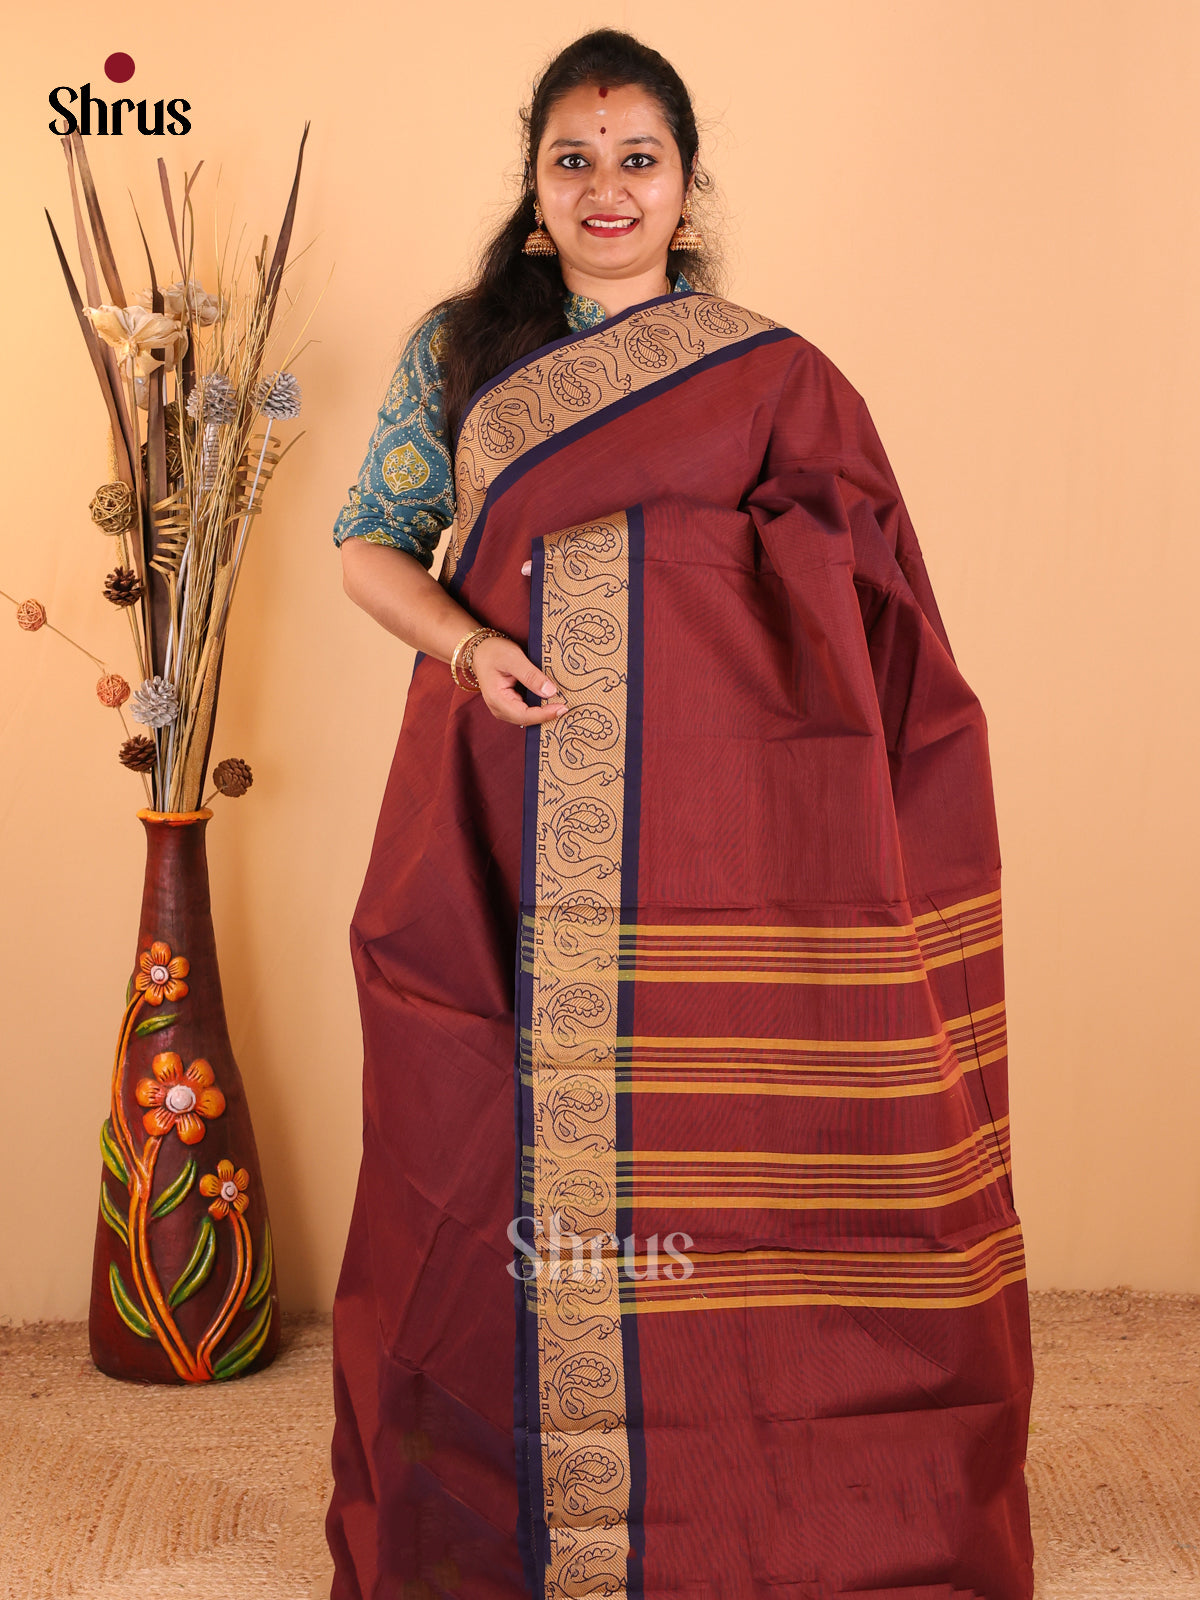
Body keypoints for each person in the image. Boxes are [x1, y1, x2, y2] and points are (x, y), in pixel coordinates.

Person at [326, 27, 1035, 1600]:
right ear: (532, 184)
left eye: (637, 159)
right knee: (467, 1130)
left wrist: (636, 581)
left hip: (719, 844)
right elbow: (372, 542)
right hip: (491, 793)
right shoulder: (462, 352)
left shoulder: (772, 378)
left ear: (687, 182)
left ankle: (744, 1501)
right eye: (573, 160)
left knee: (741, 1142)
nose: (607, 188)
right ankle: (494, 1523)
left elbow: (865, 587)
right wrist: (475, 645)